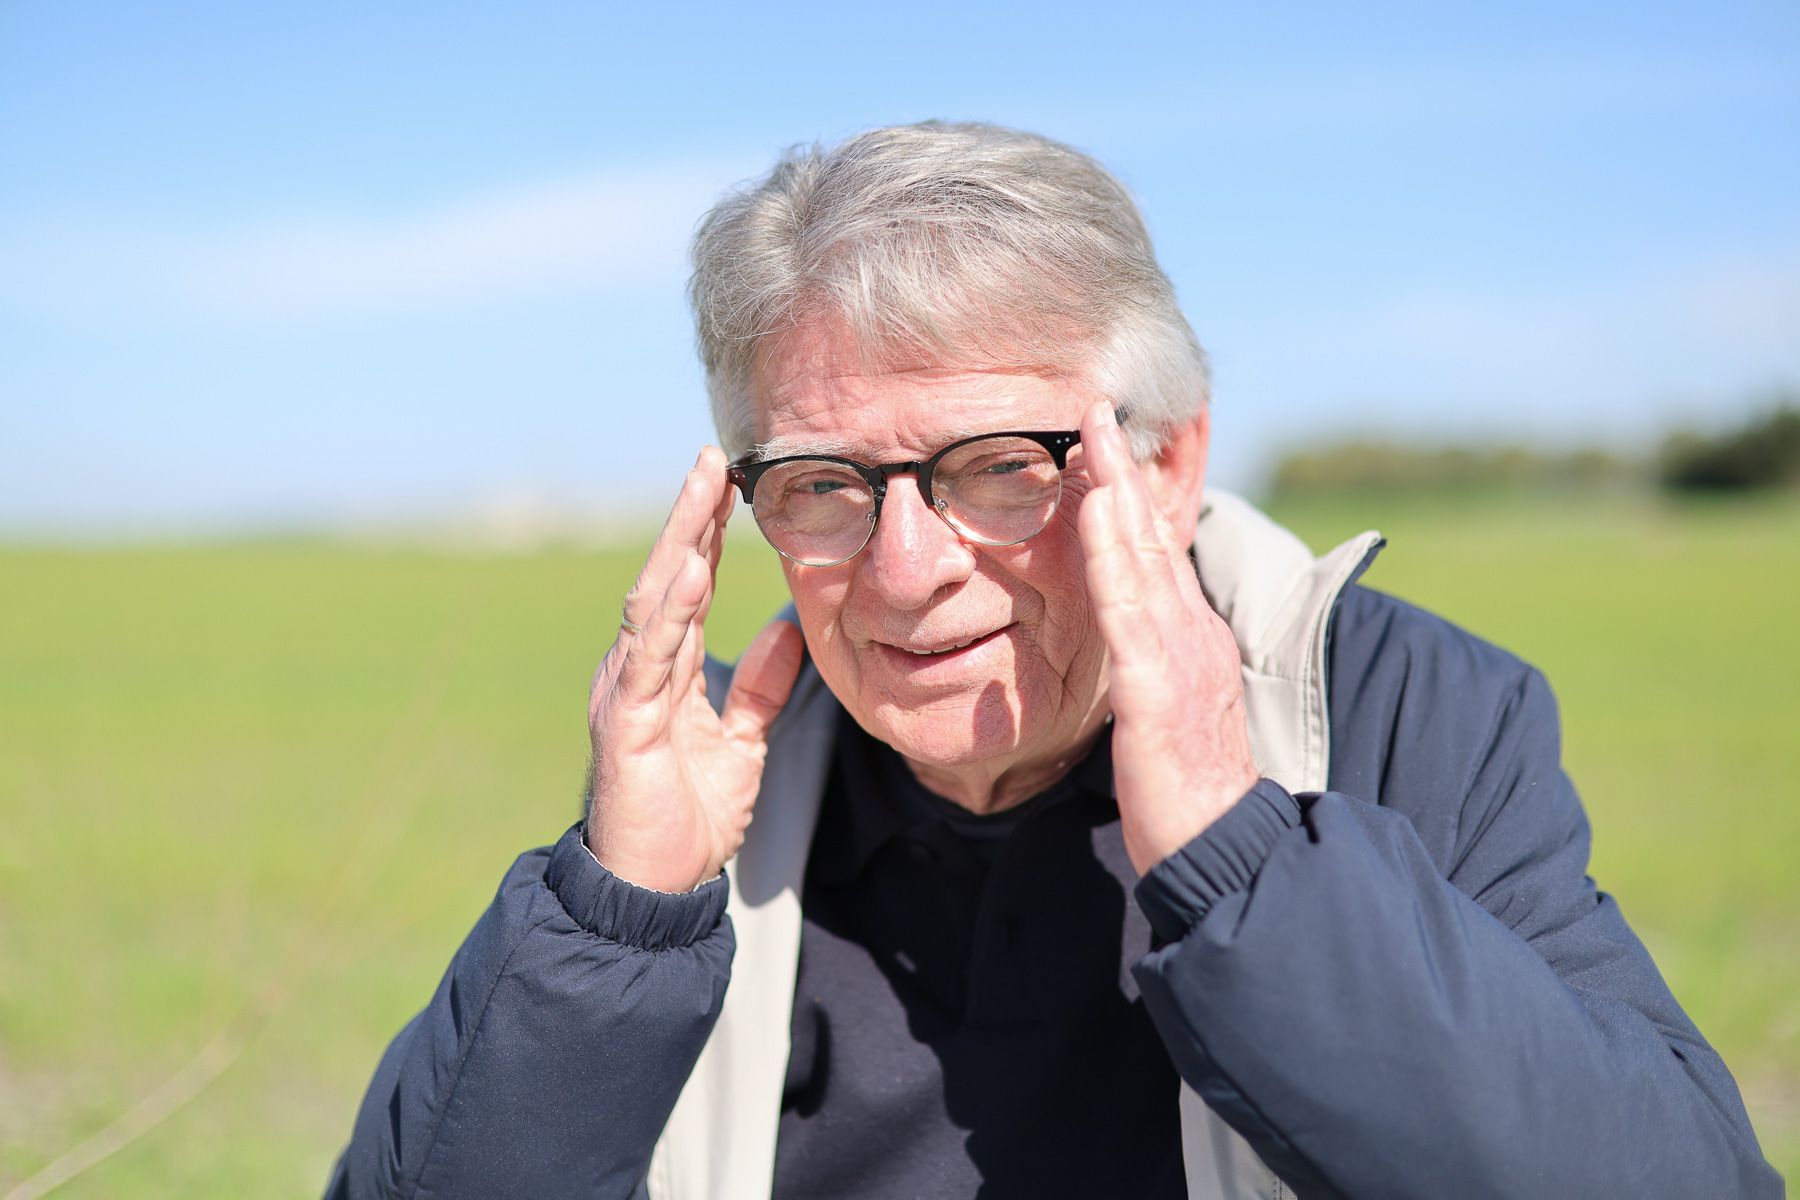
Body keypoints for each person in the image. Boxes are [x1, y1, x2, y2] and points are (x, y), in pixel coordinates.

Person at [326, 122, 1780, 1199]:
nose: (907, 571)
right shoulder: (710, 793)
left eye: (1002, 468)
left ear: (1170, 461)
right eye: (826, 483)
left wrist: (1243, 855)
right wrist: (617, 922)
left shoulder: (1395, 714)